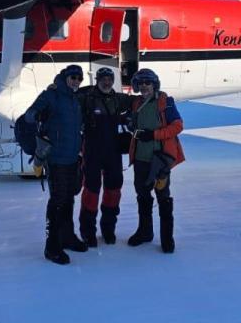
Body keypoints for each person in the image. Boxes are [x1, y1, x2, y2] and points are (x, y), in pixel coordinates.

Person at [24, 64, 88, 265]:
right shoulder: (51, 95)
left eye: (79, 78)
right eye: (73, 77)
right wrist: (38, 115)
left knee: (69, 199)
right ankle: (52, 246)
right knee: (58, 202)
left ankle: (67, 237)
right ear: (65, 77)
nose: (76, 81)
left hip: (72, 158)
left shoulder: (75, 99)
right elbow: (29, 114)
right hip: (56, 159)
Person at [127, 68, 185, 253]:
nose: (144, 87)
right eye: (141, 83)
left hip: (159, 159)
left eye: (148, 83)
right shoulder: (136, 103)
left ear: (154, 85)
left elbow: (177, 126)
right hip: (141, 159)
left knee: (163, 197)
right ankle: (145, 232)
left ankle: (167, 238)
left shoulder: (165, 103)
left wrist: (154, 135)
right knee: (143, 196)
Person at [76, 66, 133, 246]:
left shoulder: (119, 99)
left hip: (113, 152)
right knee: (91, 190)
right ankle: (88, 232)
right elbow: (67, 99)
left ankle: (108, 229)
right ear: (97, 81)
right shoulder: (86, 98)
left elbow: (139, 101)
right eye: (103, 79)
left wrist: (159, 94)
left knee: (113, 189)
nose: (106, 82)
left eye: (109, 79)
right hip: (92, 152)